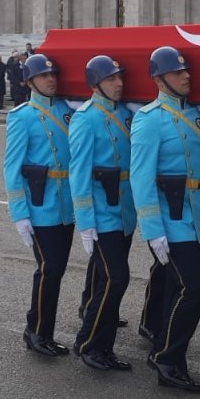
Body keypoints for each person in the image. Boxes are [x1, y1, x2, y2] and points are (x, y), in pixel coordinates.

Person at [131, 46, 200, 393]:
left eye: (187, 71)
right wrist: (152, 230)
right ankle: (167, 359)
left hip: (196, 218)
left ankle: (165, 350)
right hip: (170, 221)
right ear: (159, 79)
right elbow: (140, 179)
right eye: (177, 72)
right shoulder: (149, 119)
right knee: (196, 286)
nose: (186, 76)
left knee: (177, 287)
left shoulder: (196, 115)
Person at [2, 54, 76, 357]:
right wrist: (20, 214)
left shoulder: (67, 110)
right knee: (49, 269)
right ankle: (38, 332)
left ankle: (37, 327)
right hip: (40, 206)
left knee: (55, 271)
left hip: (66, 206)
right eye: (43, 76)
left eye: (53, 75)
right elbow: (12, 168)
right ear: (29, 81)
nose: (51, 80)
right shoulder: (23, 116)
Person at [69, 55, 137, 372]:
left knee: (107, 283)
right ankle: (88, 343)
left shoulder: (124, 114)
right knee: (116, 279)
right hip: (101, 214)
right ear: (96, 84)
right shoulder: (85, 119)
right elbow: (79, 173)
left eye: (120, 77)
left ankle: (104, 348)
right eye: (111, 79)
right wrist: (85, 222)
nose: (119, 83)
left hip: (124, 212)